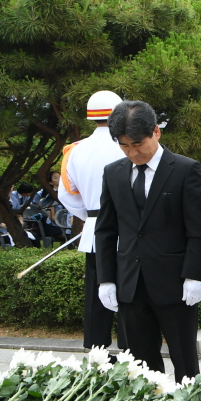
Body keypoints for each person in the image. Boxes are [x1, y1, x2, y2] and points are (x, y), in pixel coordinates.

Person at [95, 101, 201, 383]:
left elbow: (197, 229)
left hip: (175, 283)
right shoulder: (113, 172)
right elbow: (106, 230)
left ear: (156, 132)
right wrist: (106, 279)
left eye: (137, 144)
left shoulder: (185, 169)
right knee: (140, 362)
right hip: (130, 283)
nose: (133, 152)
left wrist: (194, 275)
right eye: (124, 146)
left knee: (184, 358)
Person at [58, 90, 129, 352]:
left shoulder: (76, 151)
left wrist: (90, 216)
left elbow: (66, 194)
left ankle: (96, 354)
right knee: (128, 295)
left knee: (96, 297)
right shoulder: (128, 145)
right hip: (129, 232)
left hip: (94, 233)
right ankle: (131, 352)